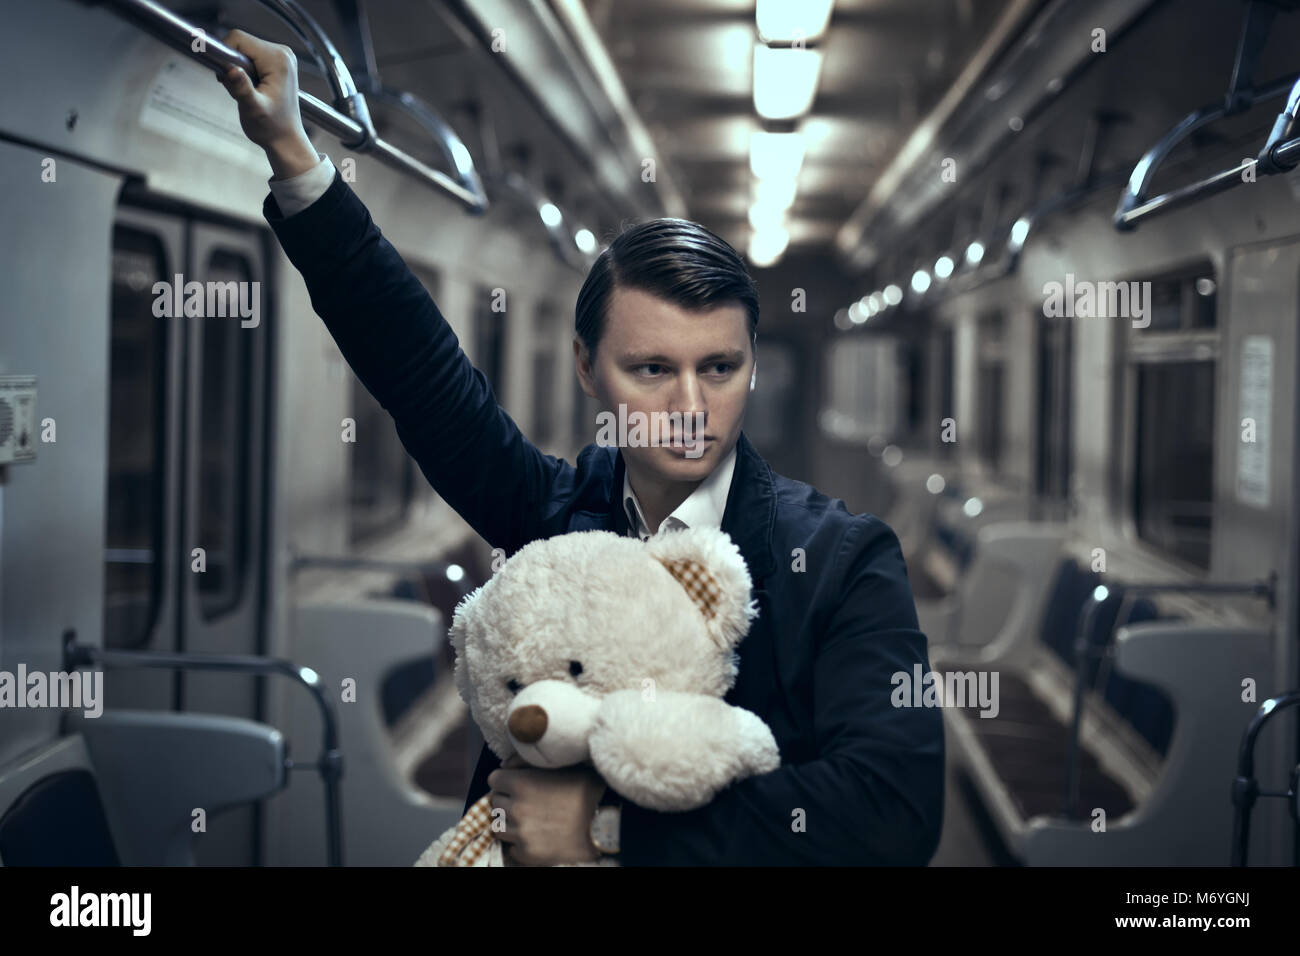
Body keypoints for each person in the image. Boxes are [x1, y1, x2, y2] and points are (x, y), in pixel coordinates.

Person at [218, 29, 944, 866]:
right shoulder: (551, 516)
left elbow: (893, 809)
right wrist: (297, 158)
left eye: (720, 367)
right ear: (587, 369)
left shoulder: (845, 562)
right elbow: (419, 373)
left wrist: (612, 833)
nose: (688, 406)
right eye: (650, 369)